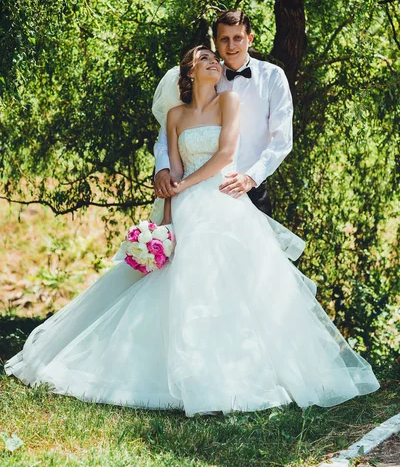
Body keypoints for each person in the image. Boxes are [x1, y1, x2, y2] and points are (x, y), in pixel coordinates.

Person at [5, 44, 379, 417]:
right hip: (183, 203)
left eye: (215, 58)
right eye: (206, 59)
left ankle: (234, 370)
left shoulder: (229, 101)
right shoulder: (174, 116)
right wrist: (164, 223)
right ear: (188, 73)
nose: (216, 61)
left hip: (221, 197)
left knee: (232, 282)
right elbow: (175, 171)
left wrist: (184, 188)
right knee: (173, 279)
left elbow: (223, 155)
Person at [154, 10, 293, 218]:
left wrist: (250, 177)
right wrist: (162, 170)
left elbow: (282, 140)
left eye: (237, 38)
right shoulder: (207, 73)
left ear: (250, 39)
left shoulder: (272, 76)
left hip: (250, 187)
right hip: (202, 191)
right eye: (224, 39)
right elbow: (169, 133)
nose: (231, 46)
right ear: (215, 42)